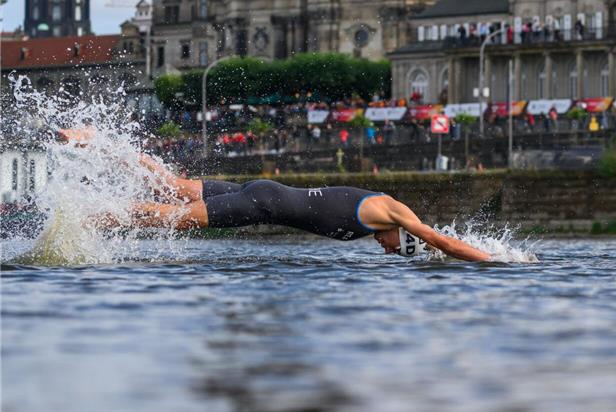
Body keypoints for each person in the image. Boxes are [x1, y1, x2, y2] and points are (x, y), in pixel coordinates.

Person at [58, 128, 491, 262]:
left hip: (263, 193)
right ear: (407, 237)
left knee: (171, 185)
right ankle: (91, 218)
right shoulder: (395, 215)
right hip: (260, 203)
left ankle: (98, 143)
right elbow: (444, 241)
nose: (386, 250)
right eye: (396, 250)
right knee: (170, 214)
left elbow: (436, 244)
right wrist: (496, 262)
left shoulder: (387, 214)